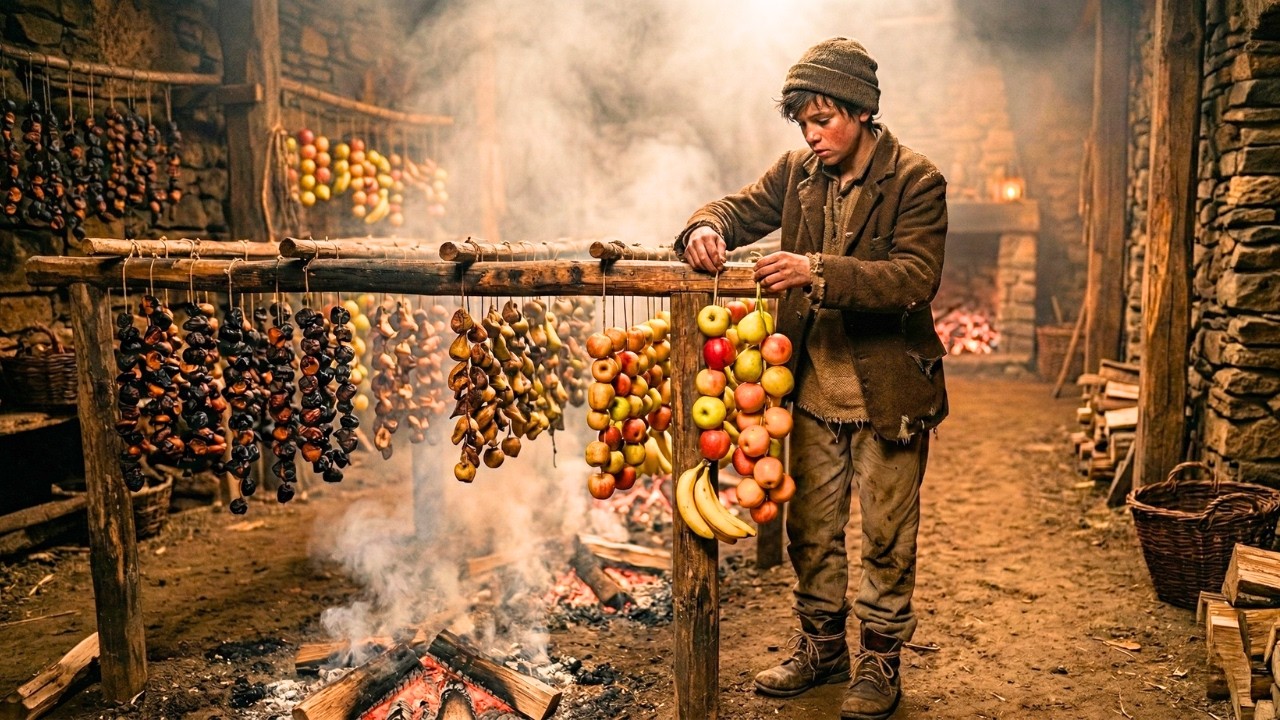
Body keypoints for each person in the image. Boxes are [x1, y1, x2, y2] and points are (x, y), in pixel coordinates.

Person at [675, 37, 948, 720]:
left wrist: (816, 271)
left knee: (887, 535)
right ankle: (822, 648)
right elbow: (738, 210)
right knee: (812, 533)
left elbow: (916, 279)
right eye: (802, 122)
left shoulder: (916, 179)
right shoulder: (798, 172)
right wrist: (703, 228)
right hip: (814, 398)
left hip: (888, 395)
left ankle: (880, 661)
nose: (811, 134)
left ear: (860, 112)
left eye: (822, 119)